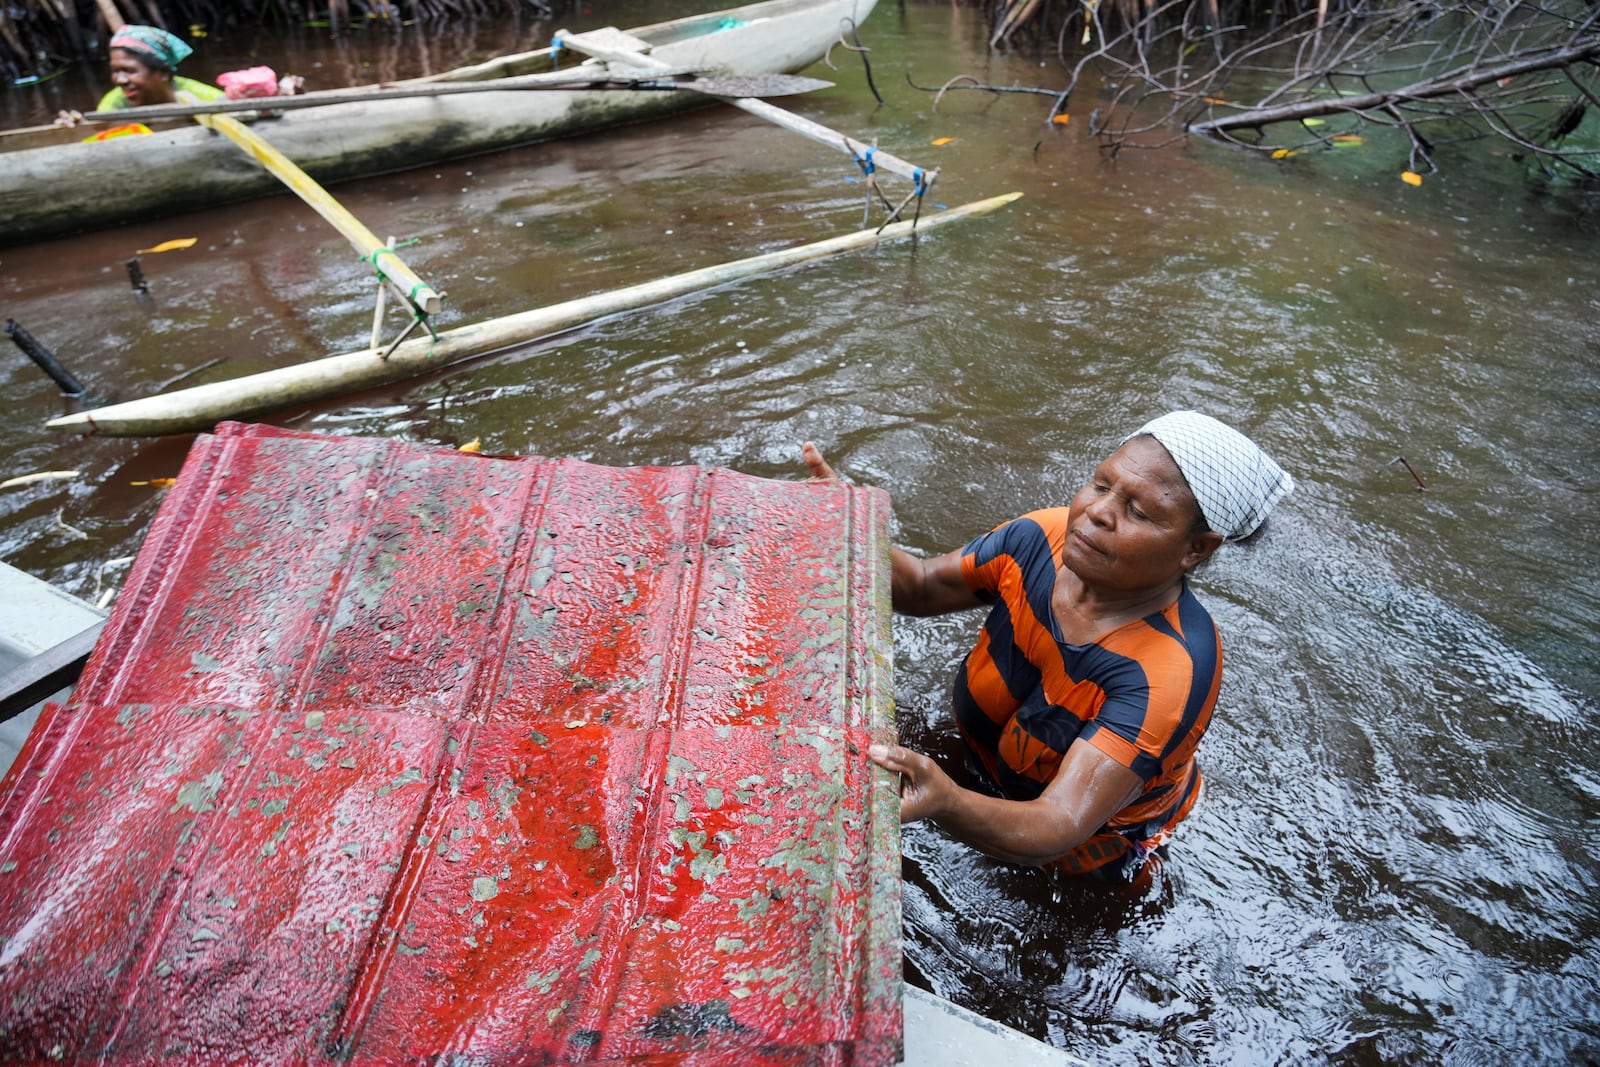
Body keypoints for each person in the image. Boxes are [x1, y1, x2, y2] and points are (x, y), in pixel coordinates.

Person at [805, 410, 1293, 882]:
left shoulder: (1166, 670)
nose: (1097, 513)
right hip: (987, 765)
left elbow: (1059, 822)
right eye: (1102, 486)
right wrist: (848, 523)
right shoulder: (1042, 538)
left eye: (1139, 511)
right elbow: (924, 586)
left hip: (1086, 853)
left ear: (1197, 549)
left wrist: (946, 801)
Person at [96, 24, 223, 111]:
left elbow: (228, 107)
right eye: (115, 71)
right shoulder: (114, 104)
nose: (120, 80)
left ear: (164, 73)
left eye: (129, 71)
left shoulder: (199, 94)